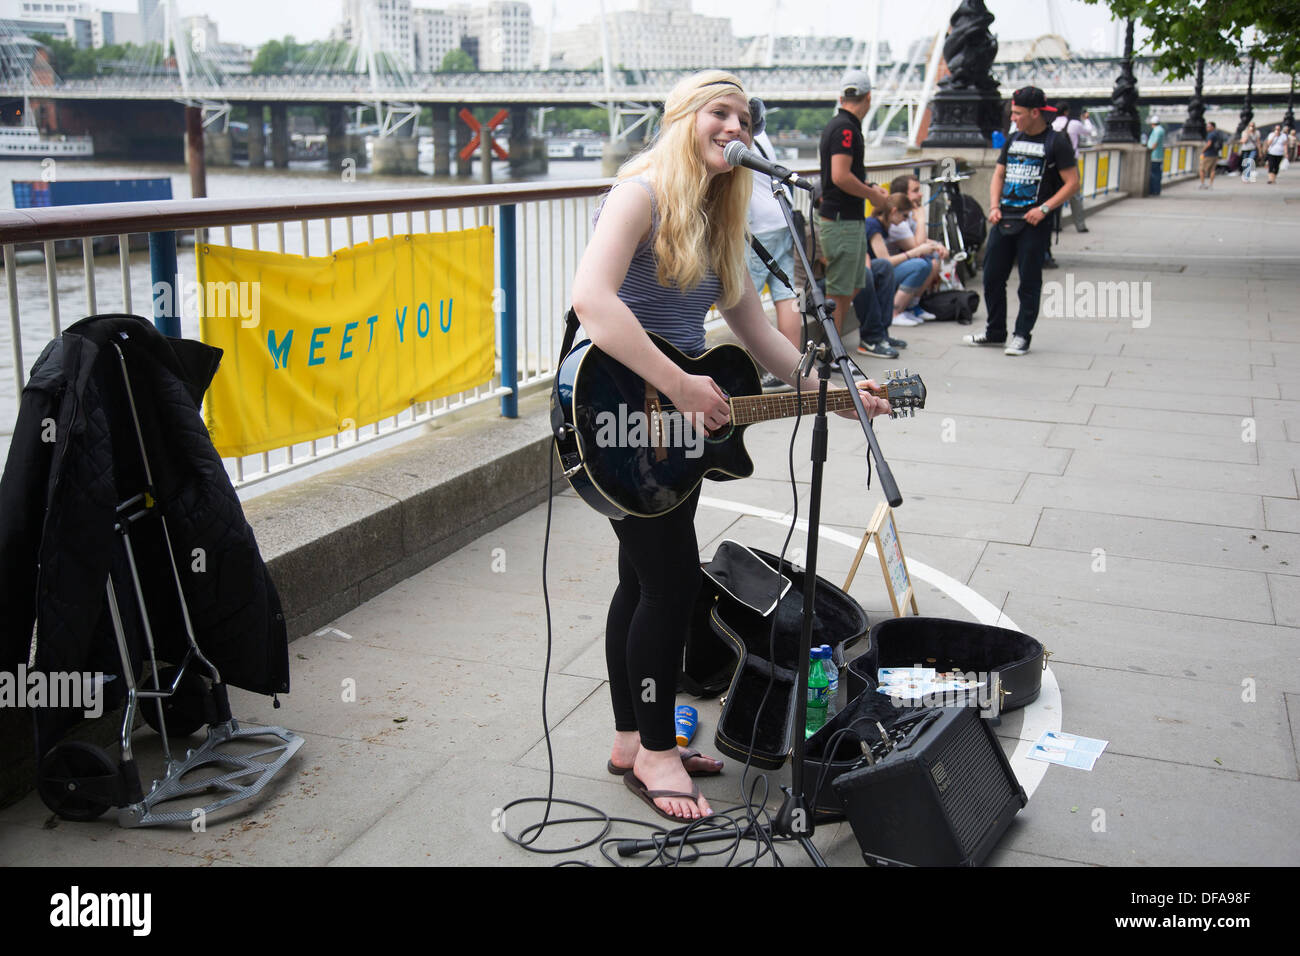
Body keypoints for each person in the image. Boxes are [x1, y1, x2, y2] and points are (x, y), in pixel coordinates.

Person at [569, 70, 892, 824]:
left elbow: (760, 338)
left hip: (669, 426)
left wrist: (835, 396)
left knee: (643, 580)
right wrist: (680, 384)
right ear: (683, 117)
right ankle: (653, 751)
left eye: (744, 118)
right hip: (620, 408)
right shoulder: (639, 192)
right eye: (719, 112)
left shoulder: (719, 215)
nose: (735, 128)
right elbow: (593, 302)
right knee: (671, 584)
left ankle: (630, 741)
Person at [964, 86, 1079, 357]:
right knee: (991, 276)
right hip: (1004, 218)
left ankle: (1021, 335)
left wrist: (1045, 208)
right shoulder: (1012, 139)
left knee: (1029, 280)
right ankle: (995, 331)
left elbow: (1072, 183)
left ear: (1035, 112)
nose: (1013, 118)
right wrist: (993, 206)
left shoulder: (1056, 142)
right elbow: (999, 175)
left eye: (1017, 113)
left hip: (1034, 223)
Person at [818, 68, 890, 341]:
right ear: (868, 97)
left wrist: (867, 189)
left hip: (845, 219)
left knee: (851, 285)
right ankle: (831, 350)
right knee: (840, 289)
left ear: (841, 96)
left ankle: (831, 346)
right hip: (841, 221)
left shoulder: (841, 125)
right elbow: (840, 175)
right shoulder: (846, 129)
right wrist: (871, 195)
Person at [743, 96, 800, 390]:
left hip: (758, 229)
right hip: (781, 220)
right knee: (785, 292)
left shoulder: (738, 144)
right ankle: (793, 369)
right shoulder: (762, 137)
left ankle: (758, 371)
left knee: (743, 299)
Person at [866, 194, 942, 328]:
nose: (904, 221)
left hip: (879, 273)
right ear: (894, 211)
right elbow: (885, 261)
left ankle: (908, 307)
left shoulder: (884, 225)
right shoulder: (873, 226)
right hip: (874, 274)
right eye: (905, 216)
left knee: (926, 263)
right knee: (919, 265)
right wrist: (915, 252)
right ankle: (894, 312)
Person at [886, 174, 948, 312]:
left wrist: (938, 246)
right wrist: (921, 218)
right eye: (915, 191)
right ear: (902, 195)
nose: (920, 194)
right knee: (923, 264)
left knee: (934, 258)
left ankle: (913, 306)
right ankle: (897, 311)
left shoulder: (905, 215)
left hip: (898, 264)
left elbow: (921, 240)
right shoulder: (897, 220)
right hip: (885, 270)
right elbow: (917, 246)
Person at [1052, 103, 1090, 229]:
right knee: (1075, 193)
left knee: (1056, 193)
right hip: (1070, 162)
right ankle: (1080, 225)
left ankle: (1056, 224)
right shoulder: (1074, 124)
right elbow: (1089, 132)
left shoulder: (1051, 126)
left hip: (1055, 163)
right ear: (1067, 112)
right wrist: (1087, 119)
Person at [1199, 121, 1227, 189]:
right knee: (1212, 170)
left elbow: (1209, 144)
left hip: (1208, 154)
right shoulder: (1217, 134)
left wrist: (1203, 150)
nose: (1207, 128)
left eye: (1208, 126)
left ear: (1212, 127)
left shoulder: (1211, 134)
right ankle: (1211, 185)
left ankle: (1203, 184)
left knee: (1201, 169)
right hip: (1215, 154)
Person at [1147, 119, 1167, 196]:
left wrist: (1150, 150)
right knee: (1157, 173)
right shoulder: (1161, 130)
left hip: (1154, 156)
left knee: (1154, 174)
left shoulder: (1157, 131)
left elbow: (1155, 143)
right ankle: (1156, 190)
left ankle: (1154, 190)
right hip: (1159, 155)